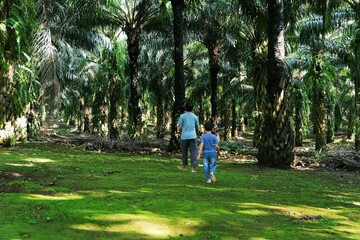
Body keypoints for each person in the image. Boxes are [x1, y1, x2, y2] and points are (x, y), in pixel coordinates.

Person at [177, 102, 199, 173]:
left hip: (184, 136)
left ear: (185, 108)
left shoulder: (182, 116)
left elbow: (179, 127)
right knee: (194, 152)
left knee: (184, 152)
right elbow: (197, 126)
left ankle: (184, 166)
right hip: (193, 136)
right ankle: (193, 168)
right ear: (192, 108)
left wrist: (181, 129)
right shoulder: (195, 116)